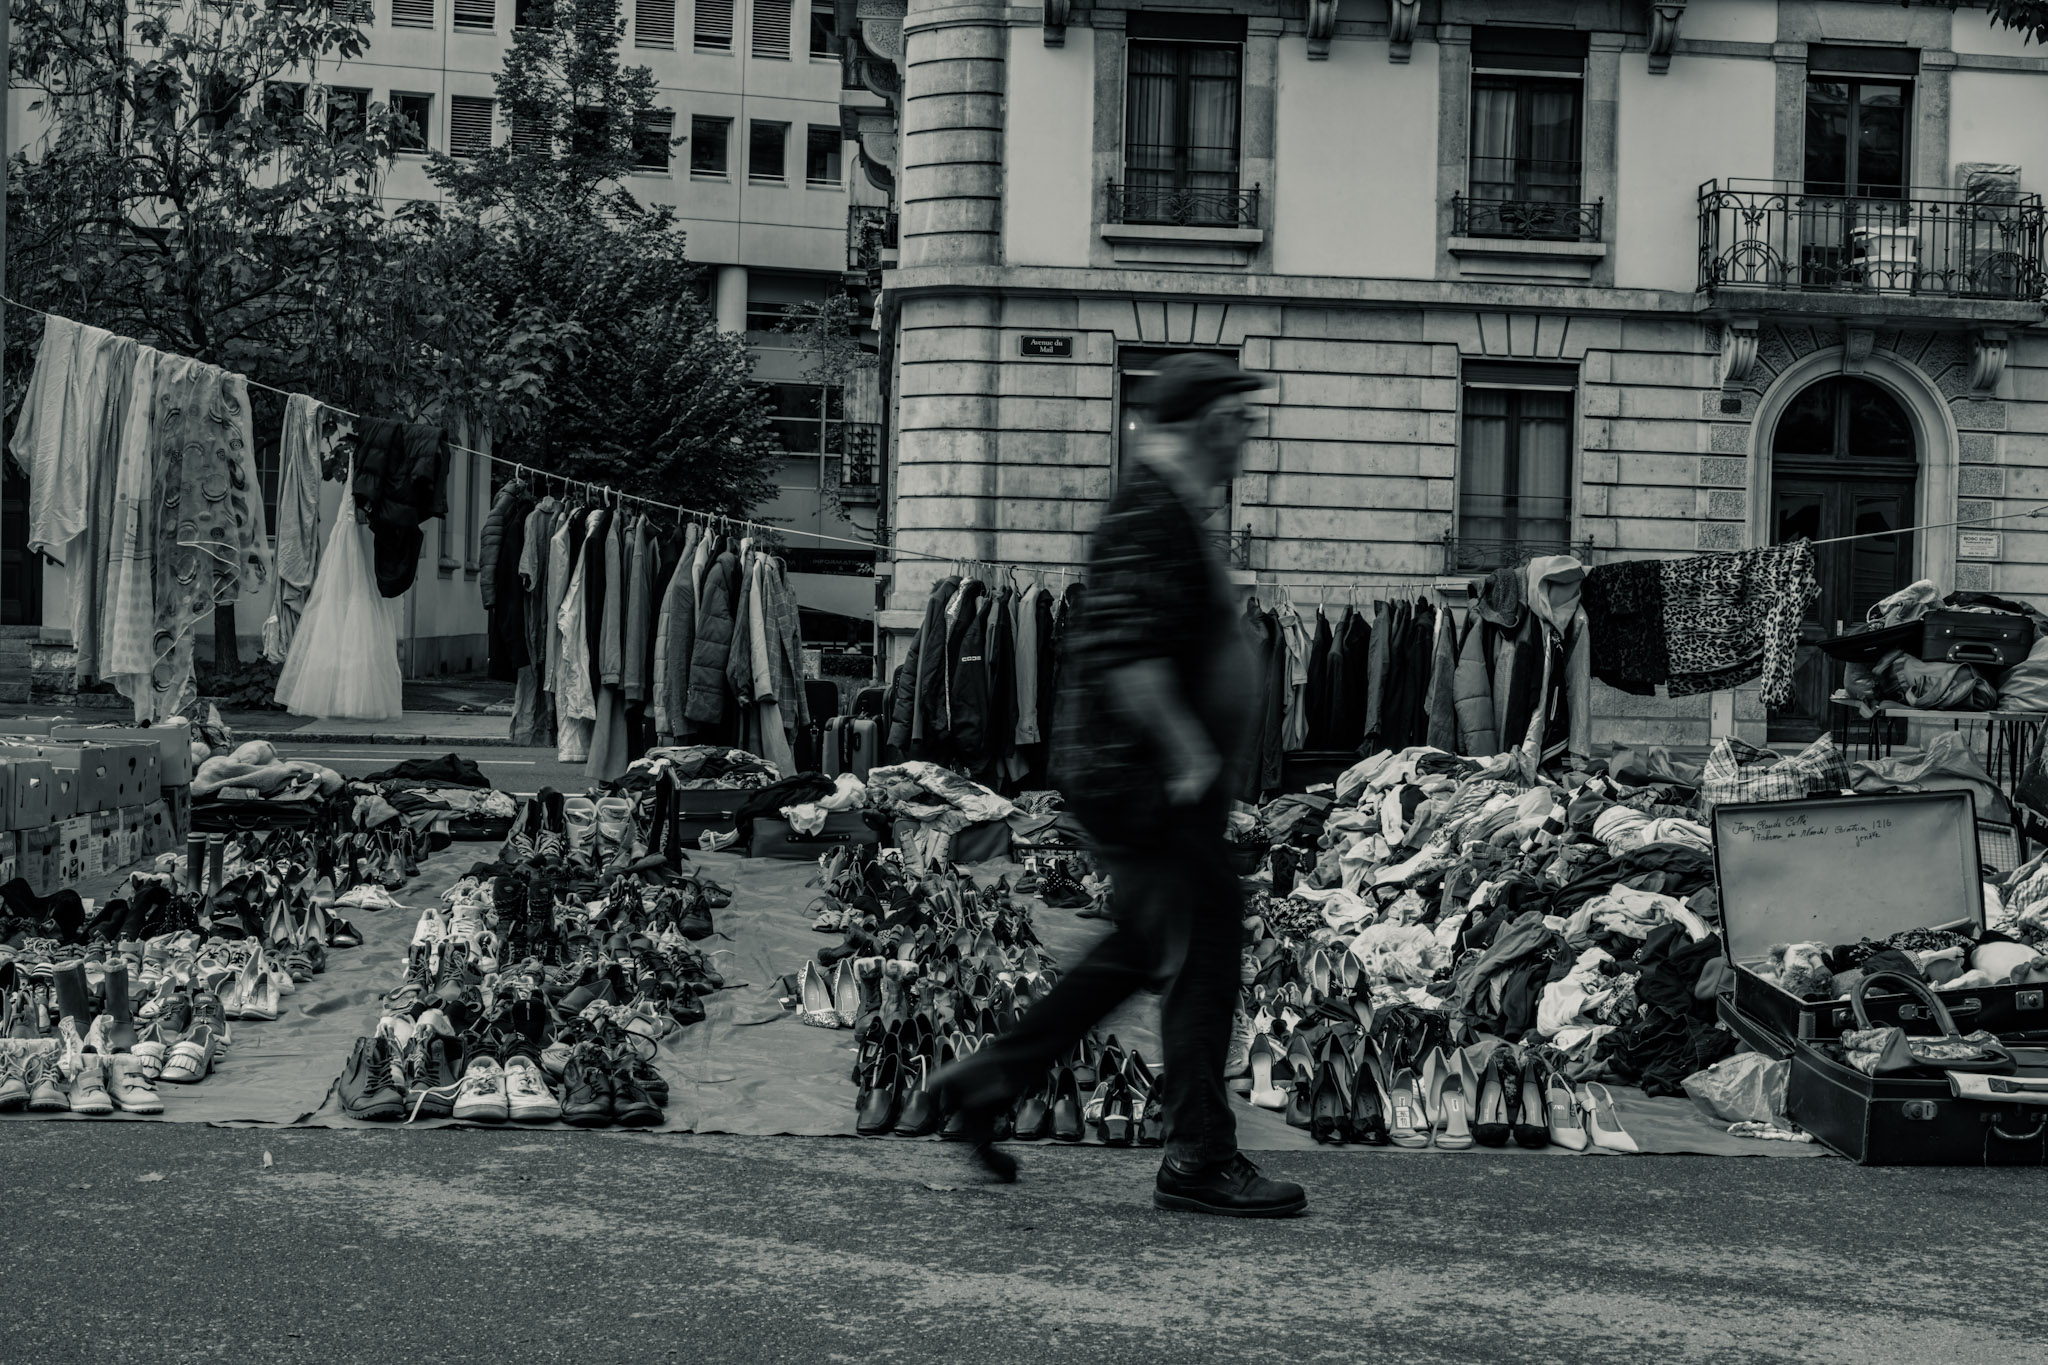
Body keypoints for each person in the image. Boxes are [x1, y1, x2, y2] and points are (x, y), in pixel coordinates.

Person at [930, 353, 1308, 1219]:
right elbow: (1131, 655)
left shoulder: (1170, 507)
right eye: (1242, 424)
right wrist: (1190, 756)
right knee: (1206, 949)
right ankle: (1199, 1156)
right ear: (1211, 423)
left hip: (1147, 779)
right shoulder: (1149, 510)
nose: (1248, 441)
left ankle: (987, 1081)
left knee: (1141, 947)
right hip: (1147, 780)